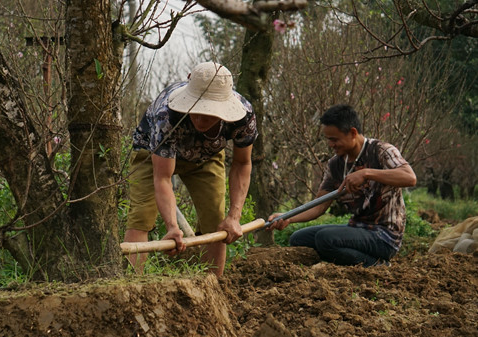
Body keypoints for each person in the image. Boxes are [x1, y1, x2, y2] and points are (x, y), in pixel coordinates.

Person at [124, 61, 257, 276]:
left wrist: (234, 217)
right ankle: (130, 287)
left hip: (206, 156)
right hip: (152, 155)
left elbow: (242, 164)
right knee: (141, 216)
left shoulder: (244, 116)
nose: (201, 118)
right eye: (197, 109)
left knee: (216, 221)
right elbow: (163, 178)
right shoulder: (167, 114)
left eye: (209, 113)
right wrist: (172, 227)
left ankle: (213, 288)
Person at [267, 104, 417, 267]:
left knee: (326, 239)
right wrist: (288, 217)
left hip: (384, 235)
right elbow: (319, 206)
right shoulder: (335, 164)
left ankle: (376, 265)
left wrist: (366, 173)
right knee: (299, 239)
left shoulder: (381, 151)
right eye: (328, 139)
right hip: (357, 229)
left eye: (334, 139)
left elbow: (410, 177)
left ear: (352, 133)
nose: (331, 144)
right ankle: (344, 261)